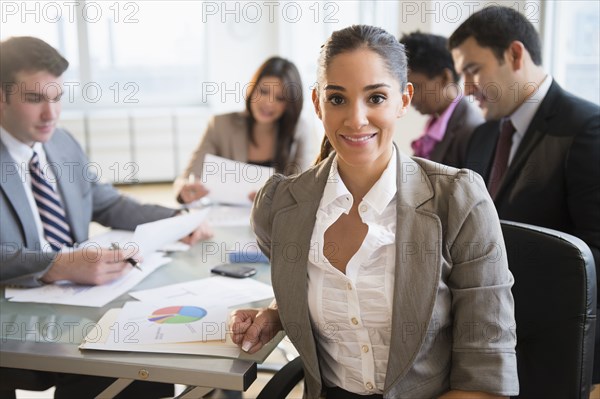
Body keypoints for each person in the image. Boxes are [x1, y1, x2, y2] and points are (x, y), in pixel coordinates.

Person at [230, 25, 518, 398]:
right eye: (337, 99)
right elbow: (318, 288)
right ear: (317, 103)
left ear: (403, 100)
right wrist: (275, 313)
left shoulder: (460, 200)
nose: (356, 119)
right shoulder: (280, 205)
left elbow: (486, 377)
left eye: (376, 98)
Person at [0, 36, 212, 398]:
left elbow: (108, 203)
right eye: (35, 99)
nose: (50, 114)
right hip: (15, 324)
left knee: (147, 352)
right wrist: (59, 265)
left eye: (56, 98)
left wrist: (178, 218)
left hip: (76, 308)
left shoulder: (61, 142)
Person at [448, 5, 600, 384]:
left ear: (515, 54)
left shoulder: (585, 129)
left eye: (472, 70)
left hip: (555, 357)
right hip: (484, 351)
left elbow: (595, 258)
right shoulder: (482, 138)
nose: (465, 88)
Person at [175, 56, 315, 204]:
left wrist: (276, 199)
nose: (268, 103)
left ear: (290, 104)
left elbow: (304, 189)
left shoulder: (299, 130)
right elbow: (186, 178)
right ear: (252, 89)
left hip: (275, 219)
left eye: (280, 98)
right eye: (263, 91)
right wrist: (184, 192)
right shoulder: (220, 125)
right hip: (227, 216)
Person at [399, 31, 483, 167]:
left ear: (445, 78)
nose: (408, 97)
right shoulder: (437, 123)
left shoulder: (472, 130)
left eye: (415, 87)